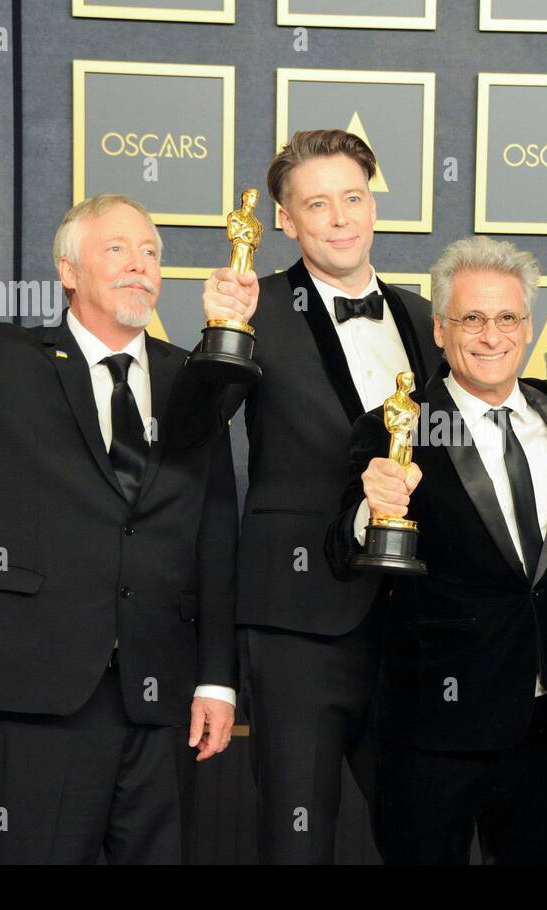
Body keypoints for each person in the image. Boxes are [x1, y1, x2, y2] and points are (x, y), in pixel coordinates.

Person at [0, 193, 239, 863]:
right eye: (116, 249)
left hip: (162, 693)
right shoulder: (3, 357)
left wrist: (216, 677)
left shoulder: (192, 377)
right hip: (40, 688)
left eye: (151, 252)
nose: (140, 265)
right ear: (67, 270)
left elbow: (215, 533)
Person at [194, 129, 441, 863]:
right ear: (285, 220)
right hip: (297, 625)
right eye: (318, 203)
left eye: (354, 198)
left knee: (425, 834)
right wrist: (220, 334)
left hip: (414, 626)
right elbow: (194, 433)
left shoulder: (427, 318)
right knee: (296, 838)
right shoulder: (254, 306)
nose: (341, 218)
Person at [325, 236, 547, 864]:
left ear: (527, 327)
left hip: (546, 719)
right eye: (471, 317)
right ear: (439, 330)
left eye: (506, 317)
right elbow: (337, 551)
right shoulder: (394, 423)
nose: (490, 334)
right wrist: (372, 509)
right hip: (433, 725)